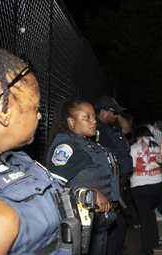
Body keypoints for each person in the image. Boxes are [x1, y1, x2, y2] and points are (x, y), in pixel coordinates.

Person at [0, 47, 73, 254]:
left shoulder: (11, 162)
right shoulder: (1, 220)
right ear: (4, 112)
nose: (39, 117)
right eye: (36, 108)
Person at [45, 97, 116, 255]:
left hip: (99, 221)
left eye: (93, 116)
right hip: (81, 225)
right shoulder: (66, 147)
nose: (93, 121)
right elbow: (52, 188)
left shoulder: (89, 144)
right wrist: (86, 191)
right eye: (87, 117)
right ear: (71, 121)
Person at [93, 95, 133, 255]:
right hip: (106, 185)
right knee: (111, 225)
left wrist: (116, 112)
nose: (116, 116)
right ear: (103, 111)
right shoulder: (95, 128)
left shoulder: (109, 127)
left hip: (117, 182)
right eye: (113, 113)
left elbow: (127, 129)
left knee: (119, 223)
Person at [130, 126, 162, 255]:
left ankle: (147, 250)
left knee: (144, 218)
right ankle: (155, 241)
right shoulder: (157, 146)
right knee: (150, 212)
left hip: (139, 186)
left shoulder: (134, 148)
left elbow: (132, 168)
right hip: (156, 185)